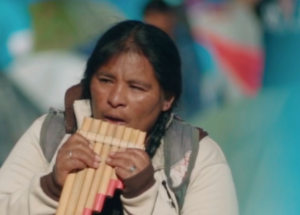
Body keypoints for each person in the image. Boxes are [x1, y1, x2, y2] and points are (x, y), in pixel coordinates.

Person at [0, 20, 238, 215]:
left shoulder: (194, 156)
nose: (115, 98)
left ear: (167, 99)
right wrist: (50, 188)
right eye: (105, 81)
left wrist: (144, 194)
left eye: (136, 87)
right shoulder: (49, 134)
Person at [143, 0, 203, 119]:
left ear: (170, 17)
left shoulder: (188, 47)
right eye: (151, 17)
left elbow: (195, 88)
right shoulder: (145, 52)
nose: (155, 22)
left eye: (157, 16)